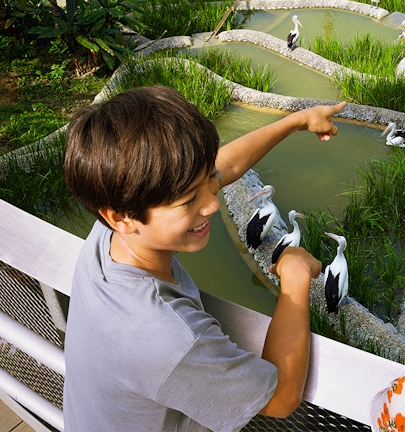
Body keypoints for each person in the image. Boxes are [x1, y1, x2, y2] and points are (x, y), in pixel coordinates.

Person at [63, 85, 346, 431]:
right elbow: (282, 398)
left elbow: (222, 165)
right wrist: (296, 277)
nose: (212, 203)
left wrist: (296, 121)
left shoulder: (108, 234)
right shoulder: (169, 337)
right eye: (187, 202)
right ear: (120, 216)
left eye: (208, 181)